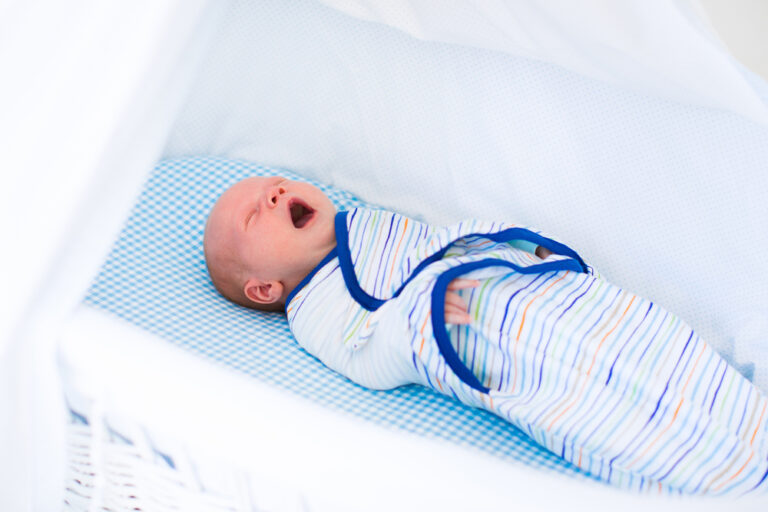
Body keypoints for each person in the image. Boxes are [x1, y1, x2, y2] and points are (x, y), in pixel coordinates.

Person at [204, 176, 768, 496]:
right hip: (497, 344)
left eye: (272, 185)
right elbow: (369, 358)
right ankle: (722, 483)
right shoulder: (315, 310)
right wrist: (416, 317)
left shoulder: (364, 222)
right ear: (263, 290)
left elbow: (443, 242)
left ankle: (747, 421)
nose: (274, 193)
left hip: (553, 300)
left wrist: (523, 252)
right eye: (255, 215)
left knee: (656, 345)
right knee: (600, 401)